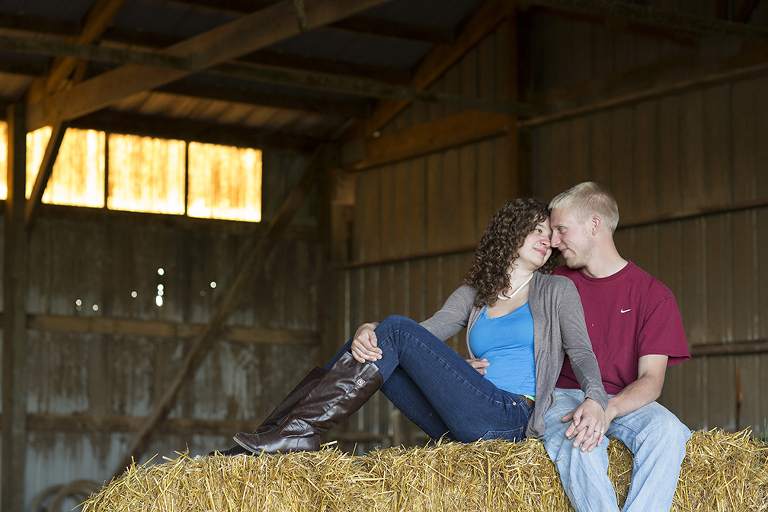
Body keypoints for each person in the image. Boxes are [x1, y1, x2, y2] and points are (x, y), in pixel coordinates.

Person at [213, 198, 608, 456]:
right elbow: (422, 334)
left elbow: (582, 353)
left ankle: (297, 431)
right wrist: (369, 328)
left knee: (393, 332)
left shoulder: (556, 290)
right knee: (371, 343)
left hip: (510, 415)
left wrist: (596, 400)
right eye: (536, 229)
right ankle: (273, 434)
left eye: (551, 234)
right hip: (459, 419)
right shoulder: (473, 295)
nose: (547, 239)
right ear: (510, 233)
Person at [542, 182, 691, 512]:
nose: (553, 242)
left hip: (620, 399)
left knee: (668, 430)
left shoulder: (653, 295)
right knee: (582, 438)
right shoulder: (554, 285)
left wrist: (607, 409)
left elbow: (651, 379)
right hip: (565, 394)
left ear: (594, 225)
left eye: (561, 229)